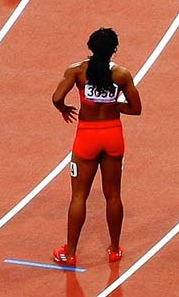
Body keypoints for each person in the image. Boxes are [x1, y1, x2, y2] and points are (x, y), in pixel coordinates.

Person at [52, 28, 141, 264]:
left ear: (90, 47)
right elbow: (136, 108)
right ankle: (114, 249)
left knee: (78, 196)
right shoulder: (122, 75)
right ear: (115, 50)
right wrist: (114, 105)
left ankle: (69, 253)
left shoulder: (77, 71)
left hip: (86, 137)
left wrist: (64, 109)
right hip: (112, 135)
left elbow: (56, 98)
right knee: (113, 195)